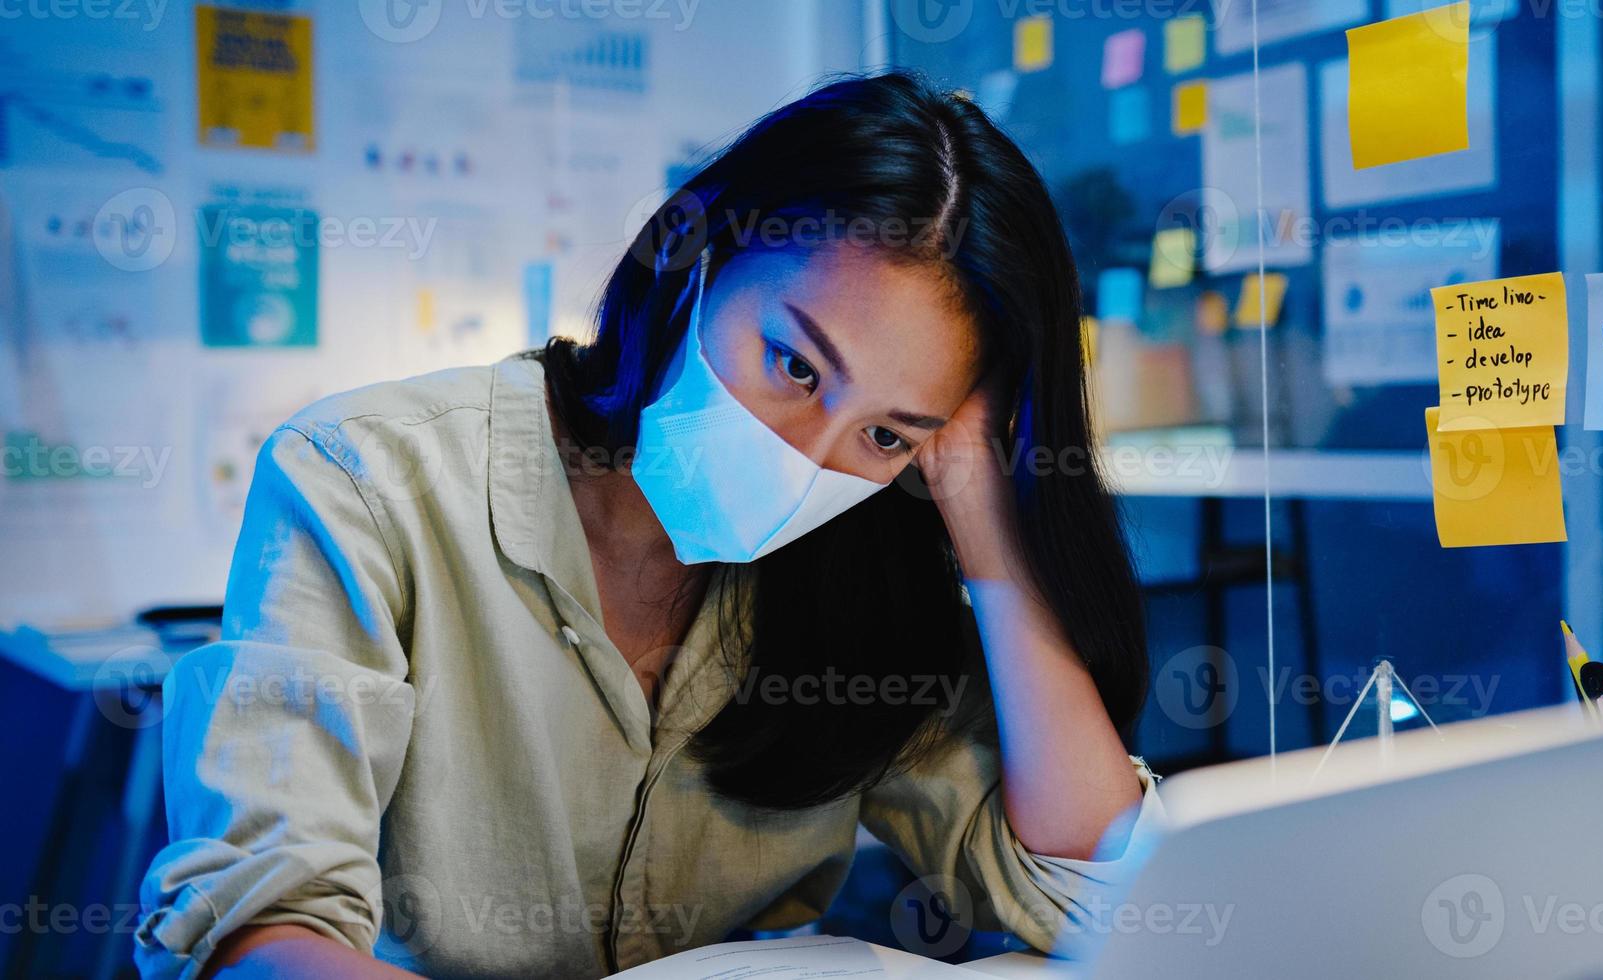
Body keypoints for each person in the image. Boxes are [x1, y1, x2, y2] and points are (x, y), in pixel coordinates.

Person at [134, 72, 1162, 979]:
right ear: (694, 252)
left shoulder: (864, 577)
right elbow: (260, 934)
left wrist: (986, 520)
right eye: (795, 366)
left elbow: (1091, 899)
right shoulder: (370, 475)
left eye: (887, 434)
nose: (811, 456)